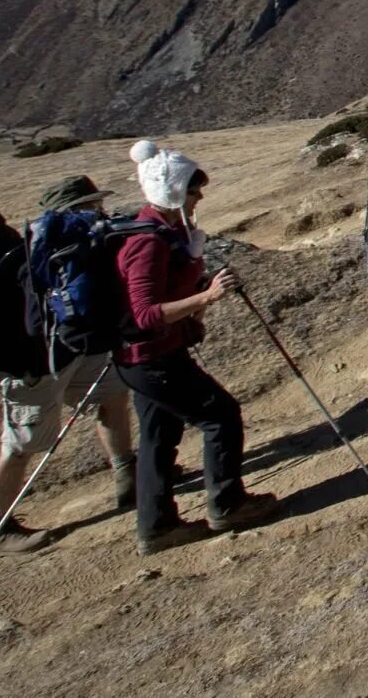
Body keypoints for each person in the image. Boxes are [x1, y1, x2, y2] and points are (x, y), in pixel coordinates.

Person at [116, 140, 279, 554]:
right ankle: (227, 504)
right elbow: (145, 315)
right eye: (192, 189)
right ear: (172, 190)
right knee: (220, 416)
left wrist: (200, 292)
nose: (199, 196)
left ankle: (157, 527)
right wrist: (206, 298)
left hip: (141, 357)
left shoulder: (160, 232)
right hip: (153, 356)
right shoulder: (148, 243)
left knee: (159, 435)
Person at [0, 176, 139, 554]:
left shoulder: (77, 247)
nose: (99, 211)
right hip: (30, 367)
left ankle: (129, 477)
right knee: (21, 446)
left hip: (74, 351)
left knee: (113, 397)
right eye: (91, 205)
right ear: (73, 209)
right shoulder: (30, 257)